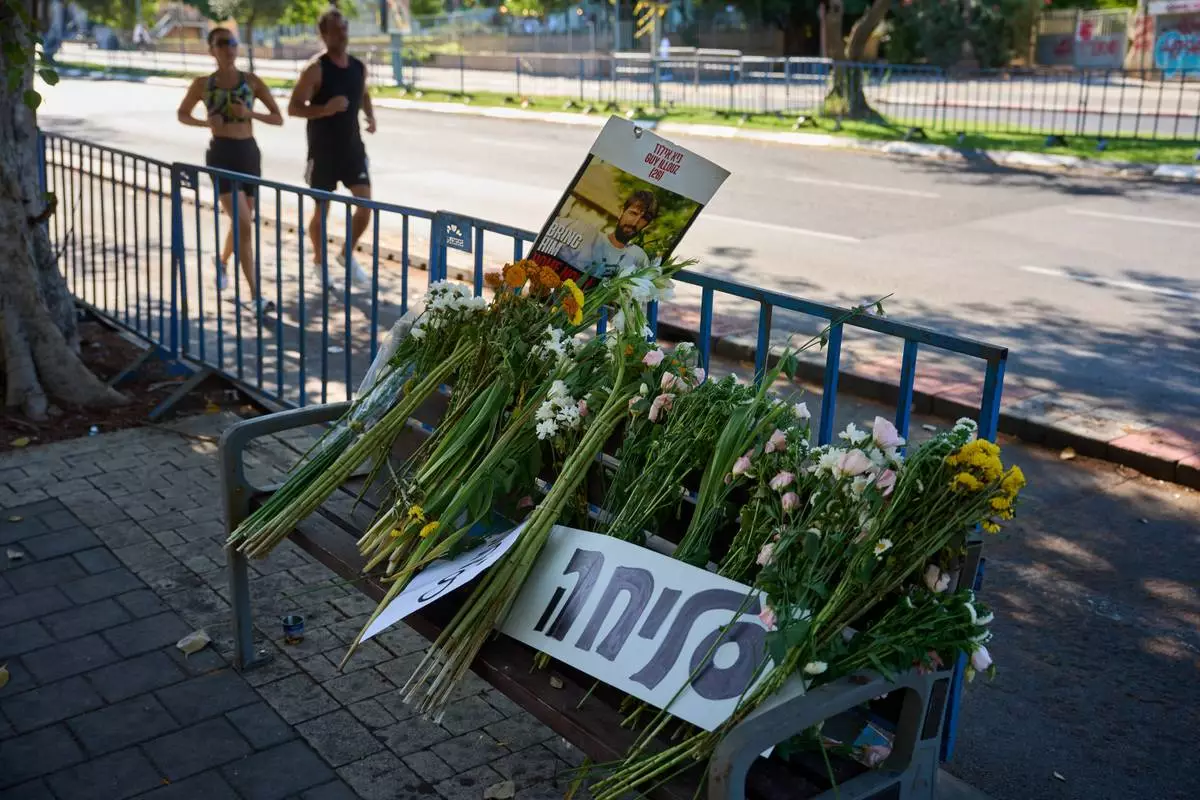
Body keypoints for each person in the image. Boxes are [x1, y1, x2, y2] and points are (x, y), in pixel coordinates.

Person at [177, 27, 283, 319]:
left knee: (241, 222)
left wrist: (249, 114)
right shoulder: (202, 84)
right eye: (222, 43)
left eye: (233, 43)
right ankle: (256, 295)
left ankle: (222, 261)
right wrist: (205, 123)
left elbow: (277, 118)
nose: (229, 48)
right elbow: (182, 114)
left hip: (248, 153)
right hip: (220, 154)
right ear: (211, 49)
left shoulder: (252, 82)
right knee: (245, 224)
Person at [287, 6, 376, 293]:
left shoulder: (358, 66)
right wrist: (325, 109)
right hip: (323, 151)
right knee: (321, 209)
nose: (342, 33)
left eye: (344, 27)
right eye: (336, 30)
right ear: (324, 35)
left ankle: (346, 254)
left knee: (366, 205)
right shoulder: (316, 69)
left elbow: (363, 92)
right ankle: (319, 262)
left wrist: (370, 116)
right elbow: (294, 107)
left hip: (352, 148)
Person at [551, 190, 659, 287]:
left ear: (647, 225)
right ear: (621, 212)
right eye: (633, 213)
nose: (635, 223)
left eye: (644, 219)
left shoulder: (638, 258)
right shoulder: (584, 232)